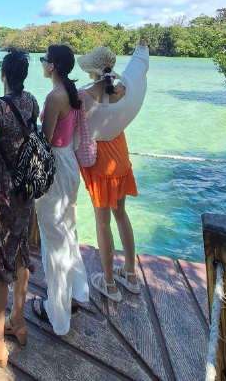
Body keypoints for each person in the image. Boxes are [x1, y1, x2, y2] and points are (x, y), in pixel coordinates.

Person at [0, 50, 39, 367]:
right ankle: (19, 321)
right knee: (21, 253)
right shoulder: (32, 102)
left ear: (3, 73)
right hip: (25, 193)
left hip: (1, 198)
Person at [75, 38, 149, 302]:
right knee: (121, 215)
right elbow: (137, 69)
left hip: (101, 163)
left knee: (102, 222)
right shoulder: (124, 92)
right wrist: (141, 48)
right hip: (121, 157)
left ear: (92, 71)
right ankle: (130, 274)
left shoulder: (84, 97)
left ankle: (108, 283)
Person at [33, 44, 89, 335]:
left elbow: (45, 138)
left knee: (53, 238)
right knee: (67, 229)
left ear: (52, 65)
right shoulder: (71, 93)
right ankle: (75, 294)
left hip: (54, 165)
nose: (42, 63)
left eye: (44, 59)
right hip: (68, 163)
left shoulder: (54, 96)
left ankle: (57, 311)